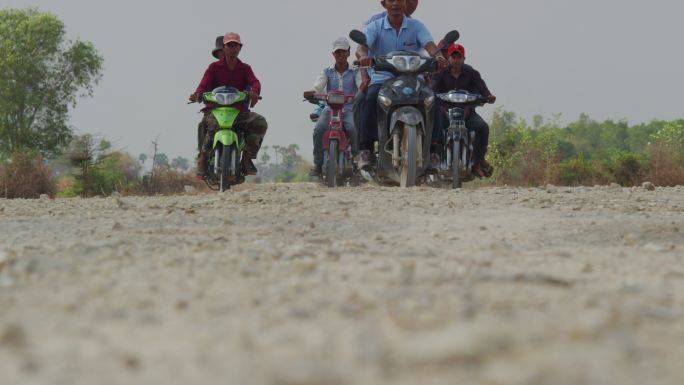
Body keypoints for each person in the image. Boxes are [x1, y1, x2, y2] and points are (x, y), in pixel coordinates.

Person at [356, 0, 447, 169]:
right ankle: (366, 150)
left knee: (433, 100)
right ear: (384, 4)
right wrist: (363, 56)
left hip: (413, 77)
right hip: (382, 77)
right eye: (391, 0)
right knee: (370, 98)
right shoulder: (375, 26)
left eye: (400, 0)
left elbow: (430, 45)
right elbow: (362, 46)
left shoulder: (416, 26)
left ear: (405, 3)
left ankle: (434, 151)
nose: (396, 3)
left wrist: (439, 57)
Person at [189, 32, 268, 178]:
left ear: (240, 48)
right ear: (223, 48)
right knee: (211, 124)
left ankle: (246, 159)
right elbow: (203, 85)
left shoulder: (245, 68)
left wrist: (254, 92)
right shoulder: (213, 67)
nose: (232, 48)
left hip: (238, 112)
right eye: (229, 45)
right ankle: (203, 158)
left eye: (235, 45)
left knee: (260, 122)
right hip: (215, 110)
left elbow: (255, 82)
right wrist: (197, 95)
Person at [431, 43, 496, 177]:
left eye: (458, 57)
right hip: (445, 112)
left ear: (463, 59)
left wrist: (488, 96)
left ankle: (478, 162)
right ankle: (433, 158)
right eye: (453, 57)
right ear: (448, 58)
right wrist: (435, 101)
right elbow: (433, 89)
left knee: (483, 127)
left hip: (467, 112)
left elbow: (481, 87)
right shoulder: (441, 73)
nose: (456, 60)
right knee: (432, 126)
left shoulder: (471, 72)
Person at [303, 37, 362, 177]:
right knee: (318, 129)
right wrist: (312, 92)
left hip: (348, 109)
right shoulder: (326, 72)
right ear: (333, 54)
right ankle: (317, 164)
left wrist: (361, 91)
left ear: (348, 53)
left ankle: (356, 163)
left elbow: (360, 86)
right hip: (330, 109)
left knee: (354, 129)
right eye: (337, 52)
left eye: (343, 52)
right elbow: (317, 86)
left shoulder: (355, 72)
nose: (340, 55)